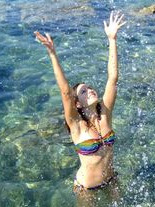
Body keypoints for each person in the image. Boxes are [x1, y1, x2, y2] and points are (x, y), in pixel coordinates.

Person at [34, 11, 126, 197]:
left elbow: (113, 78)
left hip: (111, 180)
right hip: (87, 190)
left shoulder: (105, 113)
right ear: (77, 104)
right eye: (84, 91)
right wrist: (52, 54)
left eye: (90, 88)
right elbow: (66, 92)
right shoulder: (76, 125)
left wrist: (112, 39)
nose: (90, 90)